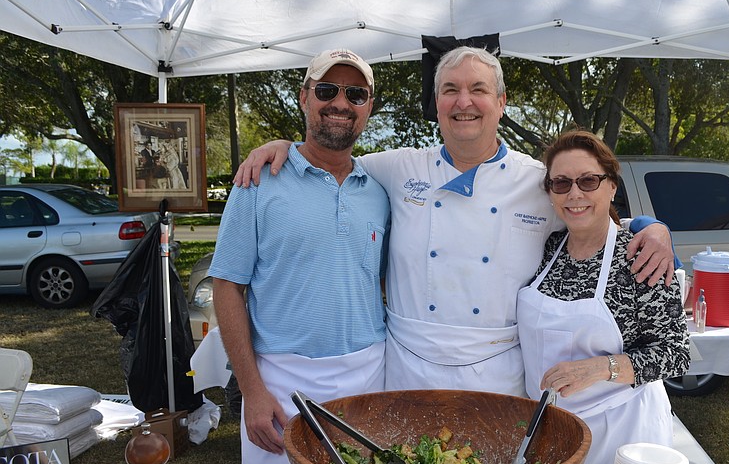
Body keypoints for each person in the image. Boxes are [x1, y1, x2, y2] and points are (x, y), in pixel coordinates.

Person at [234, 46, 675, 398]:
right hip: (408, 366)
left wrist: (650, 226)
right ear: (437, 104)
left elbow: (591, 211)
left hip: (497, 371)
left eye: (478, 89)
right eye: (450, 89)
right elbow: (330, 155)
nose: (464, 102)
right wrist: (280, 148)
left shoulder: (536, 181)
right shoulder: (394, 168)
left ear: (501, 103)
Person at [209, 48, 390, 464]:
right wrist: (252, 391)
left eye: (356, 94)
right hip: (282, 386)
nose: (341, 104)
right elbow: (227, 286)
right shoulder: (257, 181)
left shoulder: (381, 189)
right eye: (327, 90)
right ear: (304, 97)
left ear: (368, 107)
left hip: (370, 379)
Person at [516, 130, 690, 464]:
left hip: (622, 434)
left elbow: (675, 353)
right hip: (553, 430)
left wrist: (598, 368)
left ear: (611, 186)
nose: (575, 194)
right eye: (561, 183)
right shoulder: (547, 247)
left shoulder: (641, 257)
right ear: (550, 193)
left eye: (588, 180)